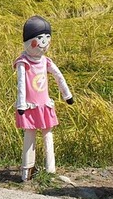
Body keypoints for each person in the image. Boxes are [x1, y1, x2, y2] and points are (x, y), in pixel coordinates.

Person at [13, 16, 73, 181]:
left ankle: (50, 170)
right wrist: (21, 104)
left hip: (44, 105)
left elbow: (58, 76)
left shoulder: (45, 61)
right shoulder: (23, 62)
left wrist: (67, 95)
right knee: (29, 135)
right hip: (30, 106)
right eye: (39, 38)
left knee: (48, 135)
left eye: (47, 37)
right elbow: (21, 84)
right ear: (29, 40)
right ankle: (27, 171)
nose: (44, 42)